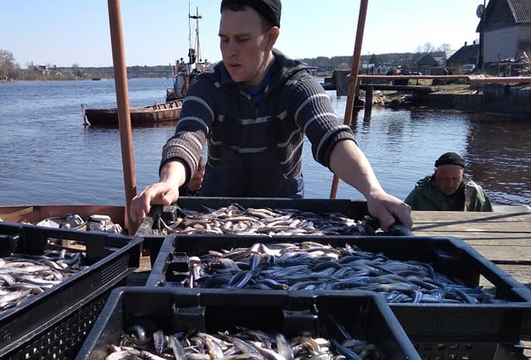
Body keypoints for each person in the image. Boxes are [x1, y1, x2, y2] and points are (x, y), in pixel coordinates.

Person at [129, 0, 412, 231]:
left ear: (271, 37)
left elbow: (332, 137)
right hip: (215, 216)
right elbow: (188, 138)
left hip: (283, 218)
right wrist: (169, 182)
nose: (230, 51)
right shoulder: (207, 85)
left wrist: (372, 191)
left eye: (242, 39)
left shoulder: (298, 85)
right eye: (224, 39)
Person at [405, 152, 492, 211]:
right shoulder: (421, 192)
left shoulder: (474, 192)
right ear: (435, 174)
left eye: (455, 179)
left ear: (462, 176)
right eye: (445, 178)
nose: (450, 184)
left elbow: (488, 220)